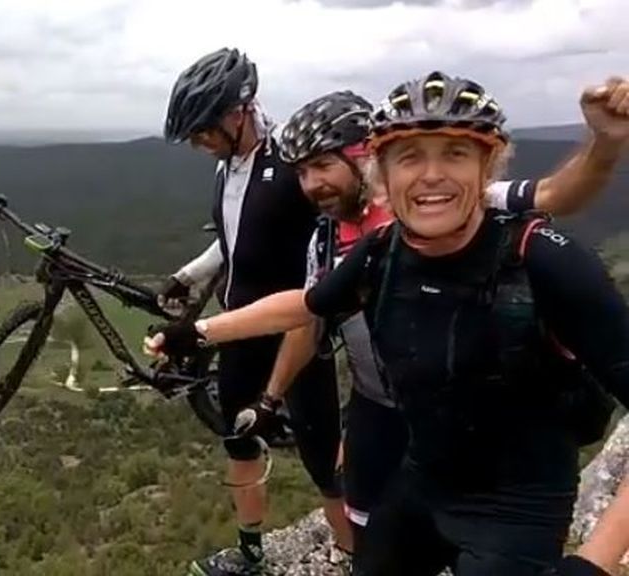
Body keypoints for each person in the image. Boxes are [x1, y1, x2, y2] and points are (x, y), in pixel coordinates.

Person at [147, 70, 629, 575]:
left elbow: (559, 192)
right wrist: (200, 331)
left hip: (516, 507)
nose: (431, 175)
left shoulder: (542, 258)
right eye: (409, 157)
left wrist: (596, 559)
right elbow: (309, 304)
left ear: (488, 167)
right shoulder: (383, 250)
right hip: (422, 482)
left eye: (455, 154)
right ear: (384, 173)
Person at [161, 47, 346, 575]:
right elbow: (232, 239)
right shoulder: (228, 168)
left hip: (296, 329)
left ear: (238, 110)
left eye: (204, 131)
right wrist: (188, 276)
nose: (199, 144)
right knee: (238, 440)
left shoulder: (291, 161)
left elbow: (326, 250)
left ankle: (354, 556)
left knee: (322, 454)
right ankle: (251, 555)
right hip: (239, 328)